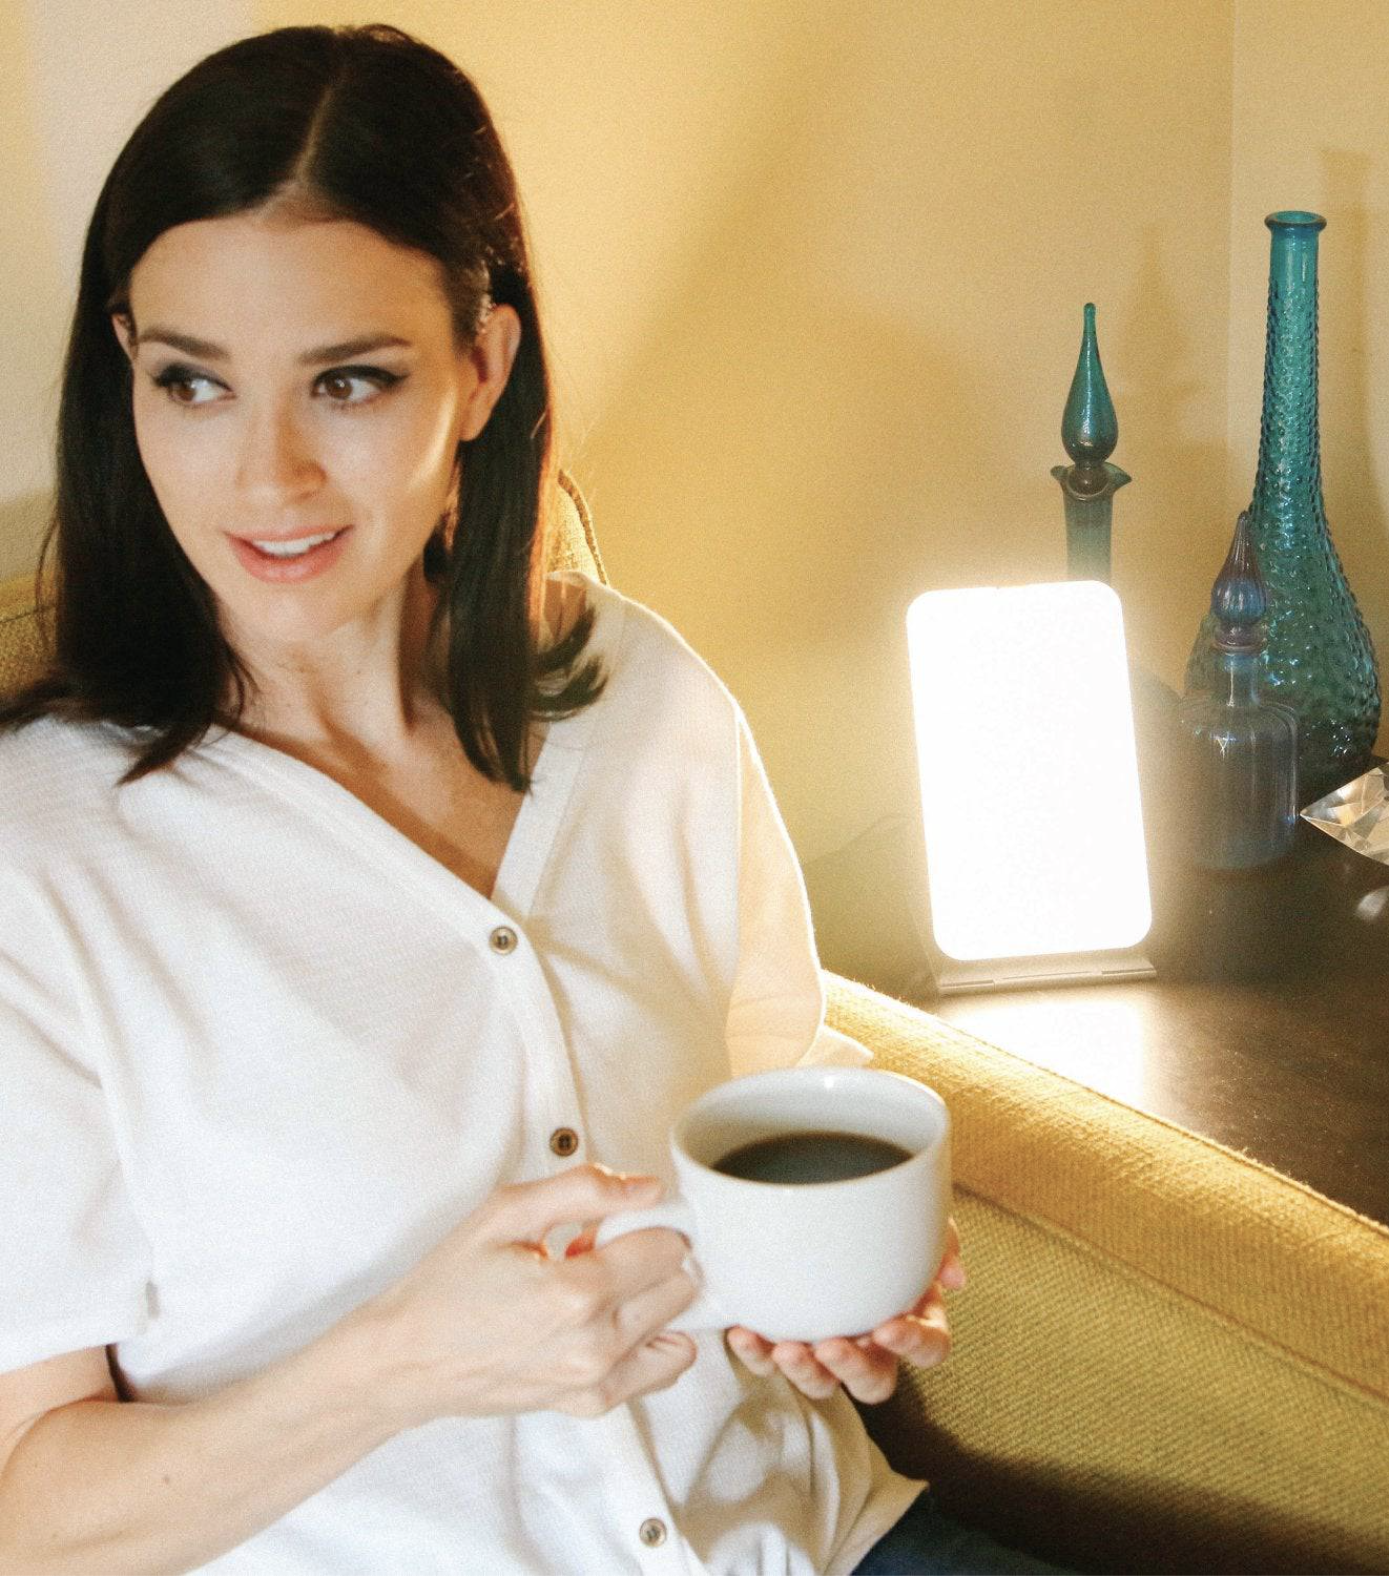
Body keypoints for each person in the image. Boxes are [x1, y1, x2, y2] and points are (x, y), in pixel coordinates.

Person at [0, 23, 1062, 1575]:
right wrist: (397, 1366)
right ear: (129, 374)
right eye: (194, 383)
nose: (267, 476)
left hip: (814, 1547)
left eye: (349, 381)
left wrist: (832, 1300)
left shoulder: (642, 705)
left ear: (481, 368)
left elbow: (768, 1105)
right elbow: (30, 1515)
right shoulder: (41, 868)